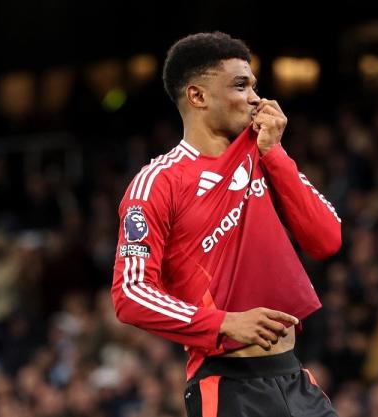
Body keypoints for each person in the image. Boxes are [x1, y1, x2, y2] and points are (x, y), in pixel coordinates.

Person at [110, 31, 342, 416]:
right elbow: (130, 293)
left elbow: (327, 239)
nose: (255, 98)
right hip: (228, 385)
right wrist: (223, 323)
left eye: (254, 86)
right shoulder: (158, 182)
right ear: (197, 96)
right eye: (240, 85)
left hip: (295, 377)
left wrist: (275, 153)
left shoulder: (263, 154)